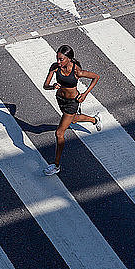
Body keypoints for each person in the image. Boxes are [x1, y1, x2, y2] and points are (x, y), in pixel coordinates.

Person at [42, 45, 101, 176]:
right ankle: (94, 119)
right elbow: (45, 86)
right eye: (57, 58)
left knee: (59, 133)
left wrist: (85, 94)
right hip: (60, 100)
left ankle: (56, 165)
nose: (58, 62)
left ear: (69, 59)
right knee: (73, 120)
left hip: (72, 102)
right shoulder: (55, 67)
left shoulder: (77, 71)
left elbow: (96, 77)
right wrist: (53, 86)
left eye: (61, 59)